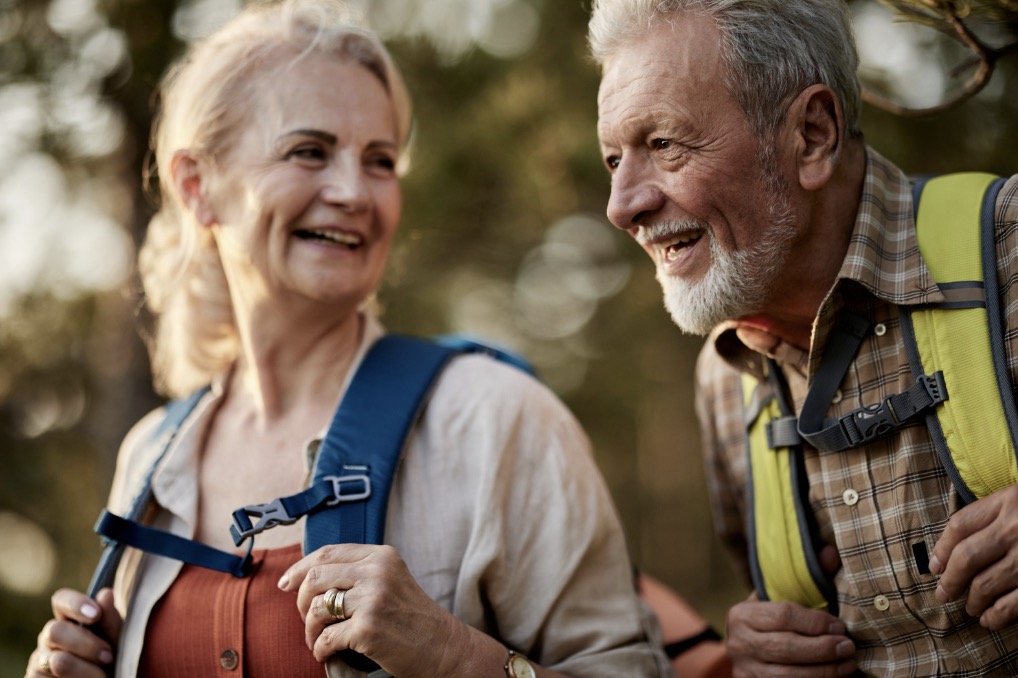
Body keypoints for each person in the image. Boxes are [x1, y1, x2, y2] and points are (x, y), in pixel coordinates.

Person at [25, 2, 673, 676]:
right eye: (309, 151)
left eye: (380, 160)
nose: (353, 192)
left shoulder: (494, 420)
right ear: (197, 187)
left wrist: (456, 656)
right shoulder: (151, 460)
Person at [589, 0, 1018, 675]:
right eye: (614, 158)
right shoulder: (723, 380)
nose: (622, 205)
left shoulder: (1009, 248)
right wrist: (755, 654)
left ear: (812, 135)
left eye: (664, 144)